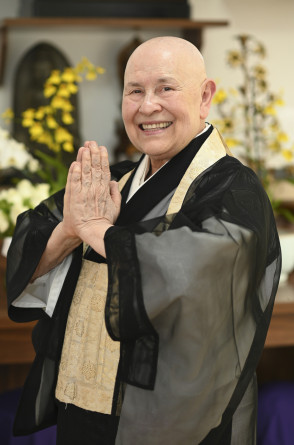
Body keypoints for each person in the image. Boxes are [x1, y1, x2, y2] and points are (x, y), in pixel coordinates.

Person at [6, 36, 281, 445]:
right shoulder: (112, 178)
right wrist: (70, 228)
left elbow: (193, 269)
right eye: (135, 90)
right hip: (82, 413)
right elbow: (28, 255)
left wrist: (99, 231)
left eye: (166, 88)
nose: (147, 106)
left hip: (174, 424)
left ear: (205, 96)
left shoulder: (233, 191)